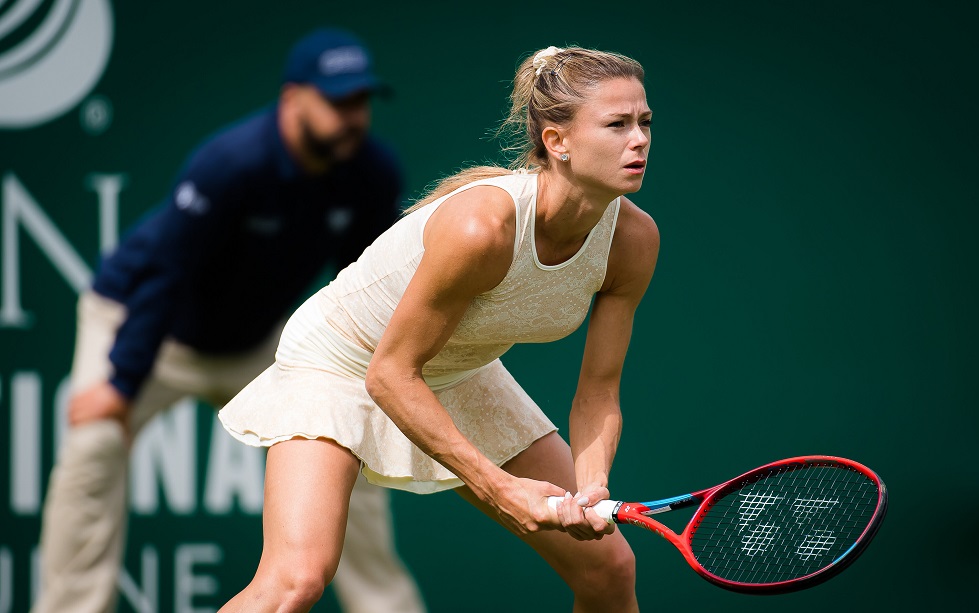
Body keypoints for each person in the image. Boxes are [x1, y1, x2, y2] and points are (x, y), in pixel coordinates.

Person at [217, 44, 658, 612]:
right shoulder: (483, 227)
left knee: (611, 569)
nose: (639, 140)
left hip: (456, 367)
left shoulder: (632, 241)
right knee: (295, 581)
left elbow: (598, 391)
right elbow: (391, 374)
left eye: (645, 122)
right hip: (346, 361)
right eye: (617, 124)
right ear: (557, 142)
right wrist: (501, 489)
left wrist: (592, 487)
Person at [33, 28, 426, 613]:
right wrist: (120, 385)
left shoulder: (370, 171)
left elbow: (363, 279)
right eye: (338, 101)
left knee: (347, 448)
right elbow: (165, 274)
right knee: (91, 452)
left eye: (361, 102)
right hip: (144, 324)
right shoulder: (230, 163)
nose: (353, 117)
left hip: (255, 343)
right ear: (294, 101)